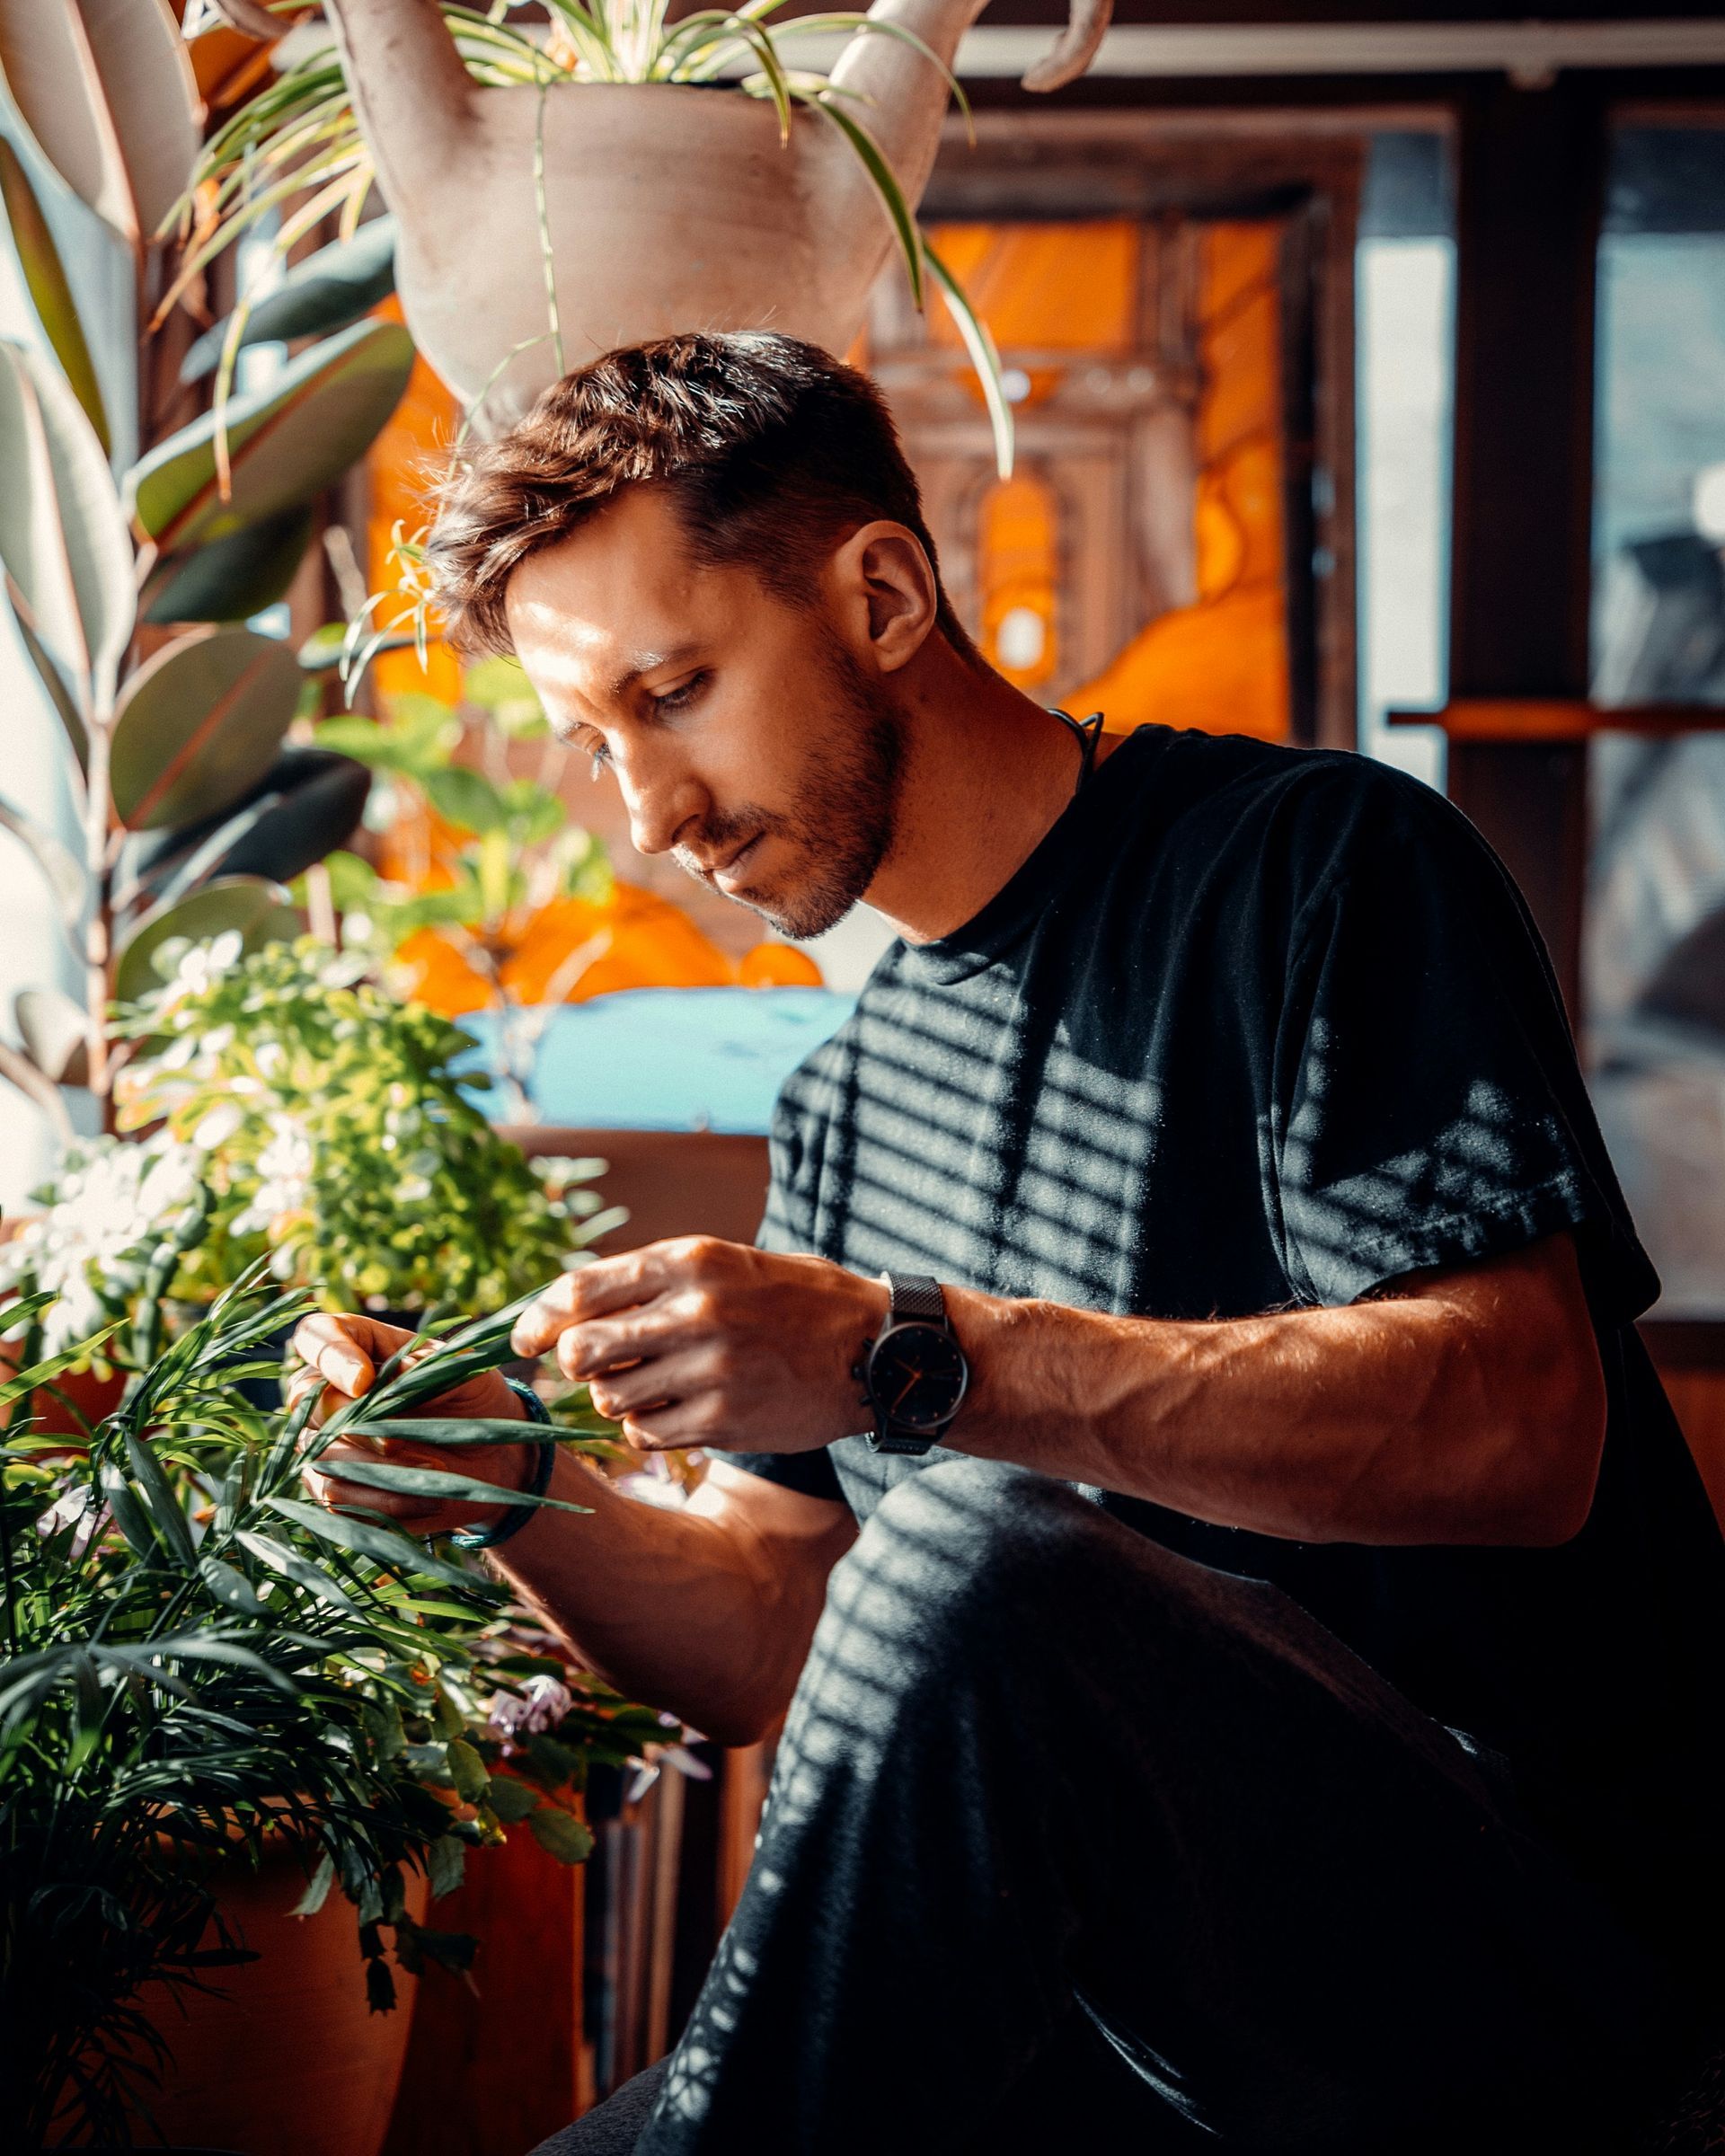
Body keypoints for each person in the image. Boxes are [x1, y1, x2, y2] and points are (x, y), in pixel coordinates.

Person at [292, 333, 1725, 2155]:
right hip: (1128, 2015)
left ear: (882, 592)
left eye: (676, 694)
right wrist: (508, 1492)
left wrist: (921, 1354)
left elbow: (1526, 1432)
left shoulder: (1320, 870)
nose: (647, 816)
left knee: (979, 1546)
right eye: (596, 742)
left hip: (1533, 1967)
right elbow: (765, 1627)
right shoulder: (847, 1105)